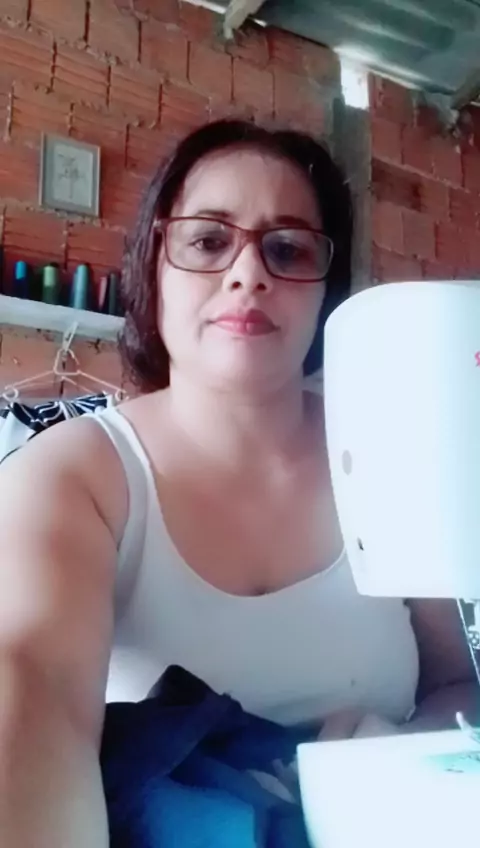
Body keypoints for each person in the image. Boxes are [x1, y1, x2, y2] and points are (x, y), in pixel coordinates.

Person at [0, 119, 477, 846]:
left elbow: (459, 685)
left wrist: (405, 746)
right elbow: (32, 694)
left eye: (287, 249)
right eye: (207, 241)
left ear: (325, 291)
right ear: (153, 268)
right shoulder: (73, 473)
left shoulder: (393, 454)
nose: (248, 273)